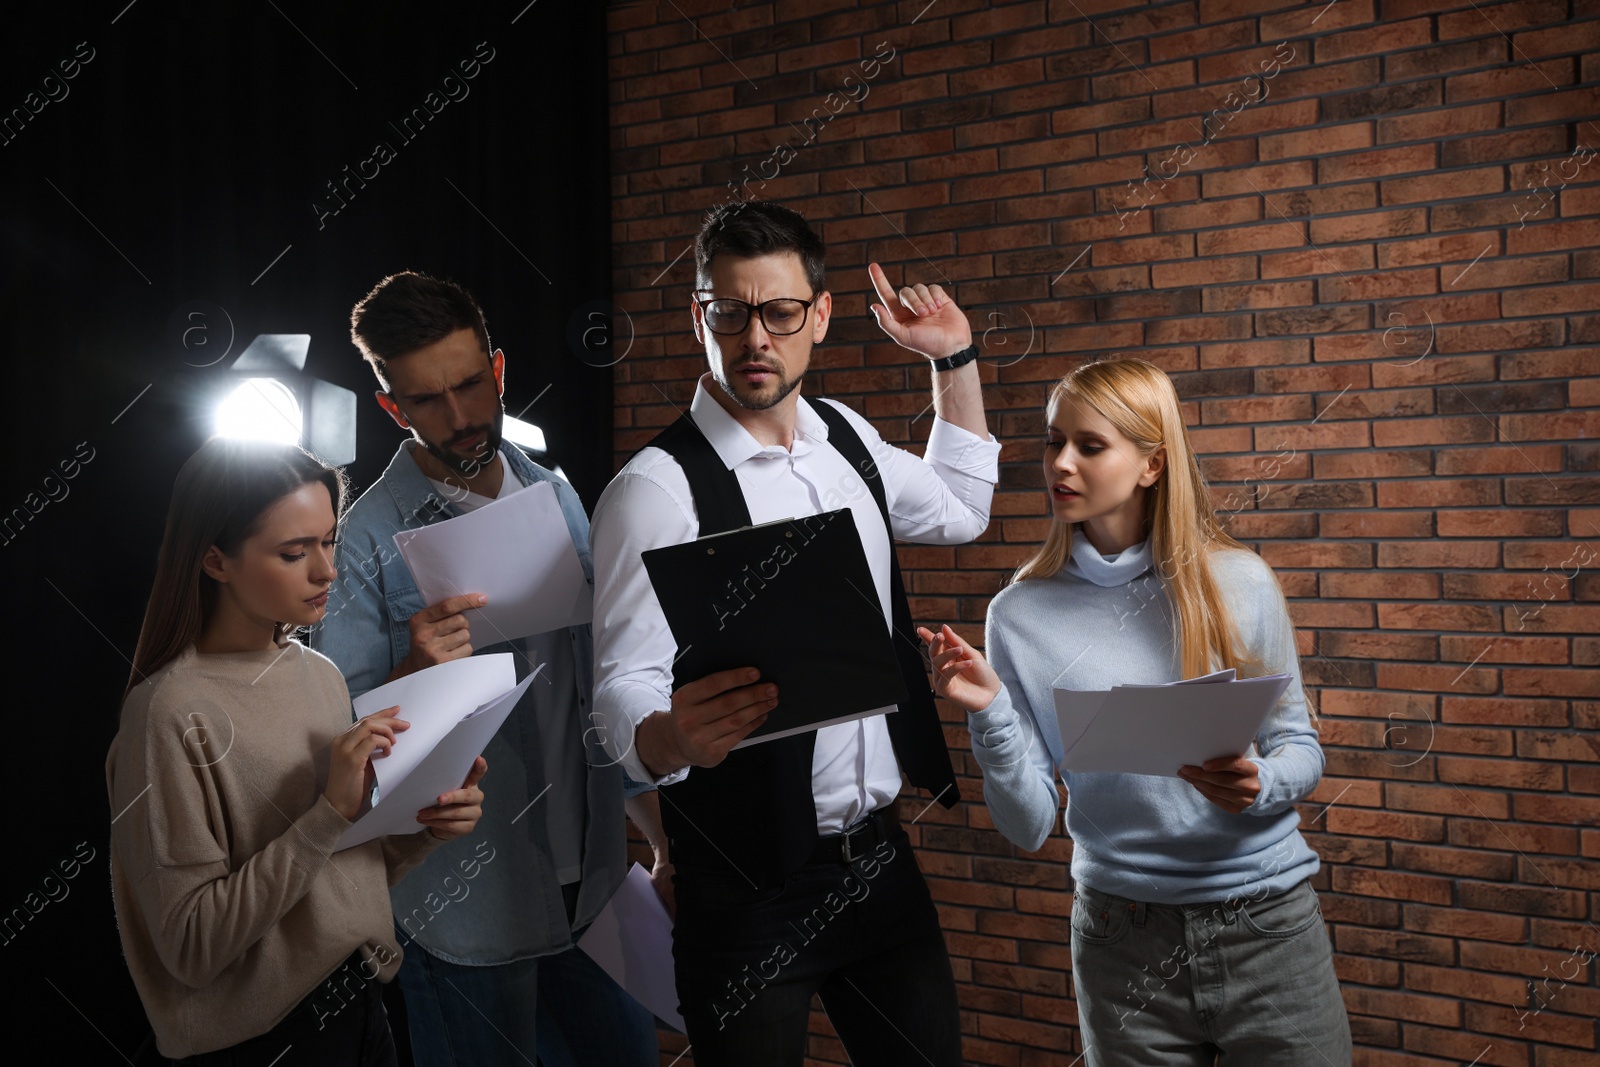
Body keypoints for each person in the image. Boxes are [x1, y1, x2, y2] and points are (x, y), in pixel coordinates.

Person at [589, 200, 1000, 1067]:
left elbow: (963, 508)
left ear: (819, 315)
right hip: (743, 896)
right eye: (730, 312)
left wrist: (954, 360)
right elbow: (620, 684)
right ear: (701, 315)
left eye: (779, 313)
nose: (755, 339)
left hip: (880, 861)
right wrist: (664, 734)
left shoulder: (846, 439)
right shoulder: (655, 491)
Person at [920, 358, 1352, 1066]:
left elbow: (1299, 745)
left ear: (1152, 463)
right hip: (1119, 940)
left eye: (1090, 446)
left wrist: (1260, 783)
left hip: (1267, 924)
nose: (1060, 462)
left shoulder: (1240, 582)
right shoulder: (1019, 614)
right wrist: (991, 711)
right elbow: (1028, 825)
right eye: (1053, 442)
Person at [310, 271, 660, 1067]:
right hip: (465, 907)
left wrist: (656, 840)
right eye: (429, 401)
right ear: (393, 408)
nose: (462, 416)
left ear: (498, 370)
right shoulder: (361, 541)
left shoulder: (559, 494)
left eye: (471, 385)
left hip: (595, 884)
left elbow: (597, 687)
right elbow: (339, 750)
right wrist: (411, 668)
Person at [107, 437, 486, 1065]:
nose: (327, 571)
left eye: (329, 541)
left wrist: (425, 829)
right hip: (257, 1043)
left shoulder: (321, 675)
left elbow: (337, 885)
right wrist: (330, 813)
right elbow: (193, 946)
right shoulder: (168, 713)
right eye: (293, 552)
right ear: (215, 561)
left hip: (362, 1011)